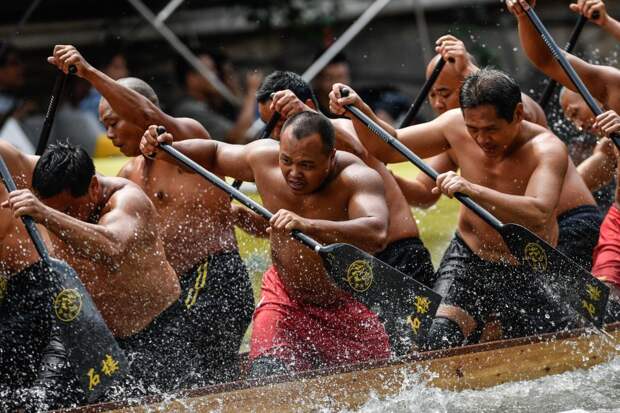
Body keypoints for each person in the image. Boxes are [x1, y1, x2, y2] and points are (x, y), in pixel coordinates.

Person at [47, 44, 254, 387]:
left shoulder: (187, 141)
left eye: (114, 123)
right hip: (176, 291)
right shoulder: (126, 176)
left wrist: (88, 72)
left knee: (176, 367)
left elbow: (146, 114)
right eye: (104, 126)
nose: (109, 135)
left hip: (215, 279)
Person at [330, 69, 575, 349]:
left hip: (529, 267)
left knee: (550, 350)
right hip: (469, 259)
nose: (482, 139)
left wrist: (473, 190)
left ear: (518, 114)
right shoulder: (454, 125)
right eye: (474, 129)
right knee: (435, 340)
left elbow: (539, 211)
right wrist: (361, 111)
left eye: (491, 129)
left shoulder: (547, 148)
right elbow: (390, 147)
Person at [140, 111, 392, 376]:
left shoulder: (356, 177)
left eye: (307, 165)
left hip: (345, 303)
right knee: (266, 375)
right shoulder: (263, 159)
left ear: (331, 157)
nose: (294, 173)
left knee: (381, 382)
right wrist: (167, 150)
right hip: (284, 299)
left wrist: (308, 224)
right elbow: (214, 153)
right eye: (287, 160)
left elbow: (376, 232)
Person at [254, 71, 435, 354]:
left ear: (307, 108)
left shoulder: (343, 129)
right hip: (351, 265)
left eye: (279, 123)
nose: (275, 136)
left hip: (396, 256)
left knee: (413, 360)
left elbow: (362, 153)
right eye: (269, 127)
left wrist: (306, 114)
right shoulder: (298, 163)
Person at [395, 36, 602, 273]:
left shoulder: (520, 117)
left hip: (566, 222)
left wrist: (469, 69)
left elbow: (527, 108)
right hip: (510, 238)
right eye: (431, 94)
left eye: (445, 92)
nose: (438, 103)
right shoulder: (454, 131)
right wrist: (387, 175)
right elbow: (424, 194)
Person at [3, 142, 181, 398]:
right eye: (51, 208)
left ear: (94, 187)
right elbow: (8, 154)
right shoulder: (46, 180)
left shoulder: (127, 200)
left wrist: (44, 213)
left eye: (67, 210)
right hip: (82, 329)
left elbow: (112, 246)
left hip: (153, 333)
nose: (59, 217)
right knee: (39, 401)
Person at [507, 0, 620, 321]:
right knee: (604, 302)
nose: (574, 121)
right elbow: (546, 58)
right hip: (619, 221)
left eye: (574, 112)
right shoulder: (614, 88)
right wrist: (525, 16)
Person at [174, 48, 261, 143]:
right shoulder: (190, 109)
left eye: (214, 69)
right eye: (209, 70)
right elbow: (237, 137)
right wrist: (252, 90)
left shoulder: (212, 104)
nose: (215, 75)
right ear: (191, 79)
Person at [559, 87, 616, 212]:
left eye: (575, 113)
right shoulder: (608, 146)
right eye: (572, 121)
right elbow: (570, 190)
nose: (579, 125)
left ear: (595, 97)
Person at [312, 50, 352, 118]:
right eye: (329, 78)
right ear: (318, 79)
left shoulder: (357, 106)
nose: (336, 85)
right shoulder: (310, 107)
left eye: (340, 77)